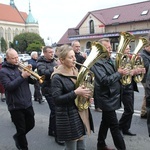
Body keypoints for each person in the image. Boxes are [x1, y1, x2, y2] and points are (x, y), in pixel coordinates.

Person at [51, 44, 94, 150]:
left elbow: (81, 88)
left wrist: (86, 97)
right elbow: (57, 100)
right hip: (67, 117)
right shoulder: (57, 77)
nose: (74, 59)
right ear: (62, 60)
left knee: (81, 147)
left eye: (74, 56)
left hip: (78, 114)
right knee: (71, 148)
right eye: (70, 57)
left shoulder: (75, 70)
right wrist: (76, 93)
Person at [91, 38, 127, 150]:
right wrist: (119, 73)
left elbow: (116, 75)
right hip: (105, 98)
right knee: (114, 126)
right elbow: (104, 80)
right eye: (107, 47)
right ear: (100, 49)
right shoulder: (96, 62)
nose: (110, 49)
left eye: (110, 47)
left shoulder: (109, 59)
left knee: (105, 122)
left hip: (111, 96)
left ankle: (100, 144)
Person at [0, 48, 35, 150]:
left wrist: (30, 74)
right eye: (13, 58)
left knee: (31, 124)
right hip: (15, 105)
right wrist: (22, 76)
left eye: (17, 57)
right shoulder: (3, 71)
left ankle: (18, 136)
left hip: (27, 103)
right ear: (7, 58)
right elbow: (9, 87)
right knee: (21, 129)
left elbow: (32, 82)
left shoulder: (20, 67)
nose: (16, 60)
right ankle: (23, 147)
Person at [37, 46, 64, 145]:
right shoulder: (40, 62)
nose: (52, 54)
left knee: (54, 112)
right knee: (56, 112)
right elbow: (43, 73)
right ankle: (58, 136)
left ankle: (51, 130)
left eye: (52, 52)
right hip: (48, 90)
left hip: (56, 89)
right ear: (44, 53)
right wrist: (56, 68)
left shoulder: (54, 60)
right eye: (49, 52)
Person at [119, 45, 140, 136]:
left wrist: (138, 71)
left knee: (130, 110)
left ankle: (126, 129)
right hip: (124, 87)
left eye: (129, 48)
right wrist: (132, 72)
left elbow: (133, 72)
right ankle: (119, 126)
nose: (129, 50)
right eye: (127, 49)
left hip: (130, 86)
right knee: (129, 110)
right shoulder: (119, 60)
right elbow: (120, 73)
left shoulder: (130, 59)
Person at [140, 41, 150, 136]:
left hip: (148, 77)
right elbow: (146, 66)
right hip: (145, 78)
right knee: (146, 94)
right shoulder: (143, 55)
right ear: (147, 47)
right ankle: (143, 111)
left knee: (146, 95)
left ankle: (143, 111)